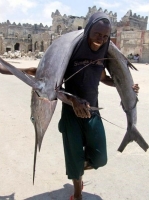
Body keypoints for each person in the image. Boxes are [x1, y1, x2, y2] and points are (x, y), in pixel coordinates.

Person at [0, 12, 139, 200]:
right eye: (98, 34)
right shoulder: (72, 49)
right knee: (73, 159)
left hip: (92, 111)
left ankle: (78, 166)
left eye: (106, 36)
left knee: (100, 158)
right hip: (70, 113)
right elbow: (47, 80)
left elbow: (104, 78)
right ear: (88, 30)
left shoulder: (103, 51)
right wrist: (73, 100)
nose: (101, 39)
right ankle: (77, 194)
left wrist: (126, 86)